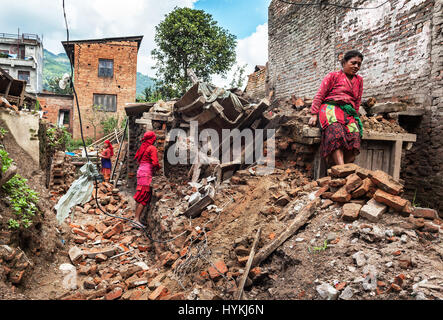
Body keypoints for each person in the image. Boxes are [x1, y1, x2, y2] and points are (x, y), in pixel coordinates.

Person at [308, 50, 364, 166]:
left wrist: (355, 115)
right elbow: (320, 95)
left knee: (355, 135)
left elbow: (357, 100)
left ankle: (336, 167)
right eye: (353, 63)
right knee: (335, 130)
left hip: (348, 112)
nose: (356, 66)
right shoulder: (333, 76)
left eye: (359, 64)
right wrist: (314, 114)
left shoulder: (359, 80)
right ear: (344, 63)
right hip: (330, 108)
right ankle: (342, 169)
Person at [133, 131, 160, 227]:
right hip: (146, 173)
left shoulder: (143, 147)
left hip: (140, 172)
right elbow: (155, 163)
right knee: (144, 197)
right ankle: (136, 219)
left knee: (140, 195)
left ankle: (135, 218)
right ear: (153, 138)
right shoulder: (152, 148)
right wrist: (158, 169)